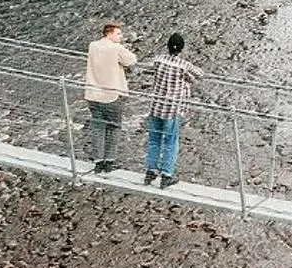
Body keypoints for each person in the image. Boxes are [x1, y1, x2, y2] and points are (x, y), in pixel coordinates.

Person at [143, 32, 203, 189]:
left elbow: (146, 69)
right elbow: (200, 75)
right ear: (182, 49)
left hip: (156, 107)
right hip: (173, 110)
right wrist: (188, 78)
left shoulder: (158, 59)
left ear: (167, 46)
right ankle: (166, 175)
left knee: (154, 140)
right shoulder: (184, 65)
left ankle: (150, 171)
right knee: (171, 142)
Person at [84, 21, 137, 173]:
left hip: (93, 94)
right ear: (109, 33)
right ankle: (109, 162)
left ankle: (98, 161)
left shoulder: (92, 46)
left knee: (98, 128)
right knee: (114, 127)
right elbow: (131, 60)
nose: (121, 36)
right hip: (112, 95)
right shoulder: (115, 48)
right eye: (118, 33)